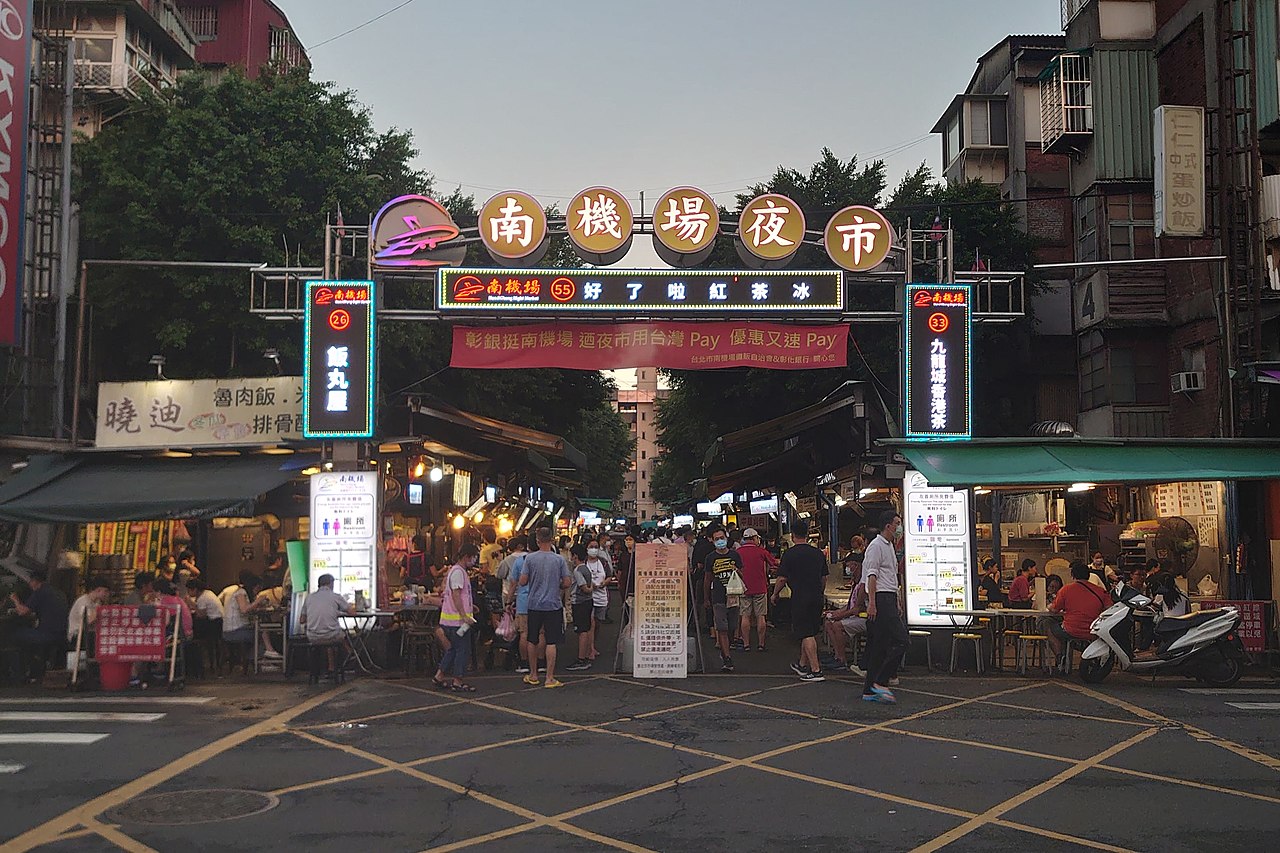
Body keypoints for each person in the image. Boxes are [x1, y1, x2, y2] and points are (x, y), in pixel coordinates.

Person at [861, 512, 909, 704]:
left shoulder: (889, 546)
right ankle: (881, 681)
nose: (899, 527)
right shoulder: (876, 546)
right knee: (902, 640)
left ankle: (869, 690)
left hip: (889, 597)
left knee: (880, 646)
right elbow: (872, 576)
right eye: (897, 524)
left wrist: (897, 599)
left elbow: (891, 576)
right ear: (888, 526)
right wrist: (872, 603)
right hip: (880, 598)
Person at [771, 519, 828, 682]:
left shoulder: (789, 554)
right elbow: (824, 577)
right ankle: (802, 664)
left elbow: (782, 579)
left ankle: (816, 670)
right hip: (816, 596)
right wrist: (820, 591)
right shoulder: (818, 553)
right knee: (809, 631)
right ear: (808, 534)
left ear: (793, 535)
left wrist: (775, 595)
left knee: (806, 633)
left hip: (800, 597)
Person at [520, 527, 573, 688]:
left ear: (537, 540)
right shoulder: (559, 560)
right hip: (553, 604)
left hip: (534, 604)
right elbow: (567, 582)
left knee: (532, 639)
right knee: (551, 641)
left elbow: (522, 581)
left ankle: (533, 674)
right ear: (552, 539)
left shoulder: (529, 559)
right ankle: (549, 678)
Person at [8, 570, 69, 684]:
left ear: (34, 581)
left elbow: (22, 612)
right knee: (26, 636)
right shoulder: (57, 592)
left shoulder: (40, 592)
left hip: (47, 634)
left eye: (30, 582)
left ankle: (19, 673)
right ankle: (34, 666)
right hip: (61, 633)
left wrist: (15, 599)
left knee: (14, 636)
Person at [1047, 560, 1113, 666]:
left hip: (1071, 630)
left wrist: (1048, 606)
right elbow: (1109, 609)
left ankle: (1060, 656)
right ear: (1089, 575)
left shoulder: (1066, 590)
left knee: (1051, 628)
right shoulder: (1100, 591)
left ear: (1072, 575)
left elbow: (1054, 609)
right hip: (1094, 632)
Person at [433, 544, 480, 691]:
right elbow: (456, 595)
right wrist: (464, 615)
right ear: (466, 557)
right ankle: (457, 681)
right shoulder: (459, 572)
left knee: (452, 649)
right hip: (458, 622)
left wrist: (470, 607)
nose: (474, 560)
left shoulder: (455, 571)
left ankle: (439, 676)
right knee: (462, 650)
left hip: (449, 620)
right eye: (473, 557)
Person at [300, 573, 356, 684]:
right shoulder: (335, 596)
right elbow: (352, 612)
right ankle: (350, 654)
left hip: (312, 637)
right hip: (331, 635)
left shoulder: (309, 597)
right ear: (331, 584)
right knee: (339, 634)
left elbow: (302, 620)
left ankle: (331, 668)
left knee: (329, 635)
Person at [704, 529, 743, 672]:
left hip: (733, 596)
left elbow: (743, 574)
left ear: (726, 538)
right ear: (712, 541)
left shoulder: (735, 555)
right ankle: (727, 658)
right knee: (722, 628)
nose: (720, 541)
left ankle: (727, 648)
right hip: (718, 597)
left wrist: (737, 570)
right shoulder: (710, 558)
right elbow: (707, 579)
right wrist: (706, 598)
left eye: (721, 538)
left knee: (732, 626)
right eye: (716, 539)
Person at [736, 528, 777, 652]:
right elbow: (774, 563)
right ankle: (761, 644)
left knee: (745, 616)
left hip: (744, 588)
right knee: (761, 616)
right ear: (754, 538)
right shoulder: (761, 551)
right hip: (760, 588)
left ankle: (746, 644)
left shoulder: (738, 552)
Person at [823, 563, 868, 676]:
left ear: (857, 566)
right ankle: (837, 656)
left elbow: (857, 608)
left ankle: (842, 660)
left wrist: (840, 616)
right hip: (854, 616)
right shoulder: (856, 583)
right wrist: (835, 613)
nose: (847, 569)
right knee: (828, 623)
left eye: (849, 565)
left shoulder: (864, 585)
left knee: (837, 625)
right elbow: (850, 605)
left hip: (864, 618)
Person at [220, 570, 259, 671]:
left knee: (258, 632)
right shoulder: (240, 592)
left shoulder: (235, 591)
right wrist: (258, 601)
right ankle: (255, 660)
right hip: (235, 631)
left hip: (229, 629)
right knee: (260, 634)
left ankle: (250, 660)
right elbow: (244, 609)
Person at [567, 545, 596, 672]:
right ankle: (585, 656)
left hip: (579, 602)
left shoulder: (577, 570)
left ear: (575, 556)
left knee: (582, 631)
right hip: (588, 602)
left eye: (571, 555)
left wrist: (590, 590)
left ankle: (581, 659)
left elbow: (584, 587)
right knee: (586, 628)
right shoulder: (586, 569)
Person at [187, 576, 224, 673]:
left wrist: (191, 604)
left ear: (194, 589)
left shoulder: (203, 597)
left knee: (193, 631)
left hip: (214, 623)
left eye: (189, 590)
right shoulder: (208, 593)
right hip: (219, 622)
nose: (188, 593)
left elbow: (201, 615)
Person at [67, 576, 112, 649]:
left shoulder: (97, 602)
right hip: (78, 635)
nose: (107, 594)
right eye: (106, 591)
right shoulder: (83, 601)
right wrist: (99, 609)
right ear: (98, 590)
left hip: (90, 634)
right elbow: (88, 621)